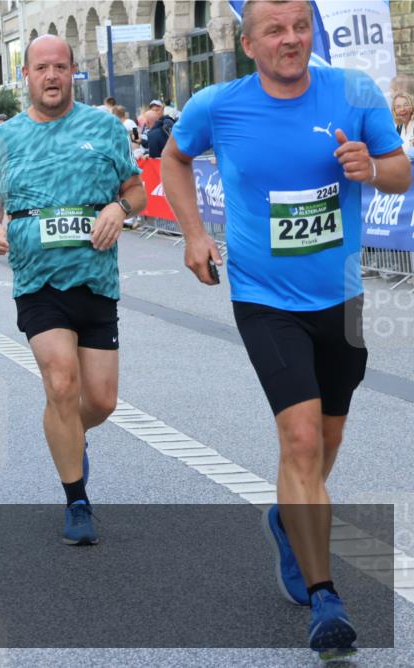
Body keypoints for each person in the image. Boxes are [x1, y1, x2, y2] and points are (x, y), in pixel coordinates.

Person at [160, 0, 411, 659]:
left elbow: (399, 171)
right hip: (265, 300)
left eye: (300, 25)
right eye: (275, 29)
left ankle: (286, 517)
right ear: (249, 43)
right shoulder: (218, 106)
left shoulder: (353, 91)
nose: (292, 39)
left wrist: (371, 168)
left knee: (323, 445)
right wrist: (192, 234)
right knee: (299, 440)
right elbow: (173, 160)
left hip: (342, 301)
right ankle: (325, 598)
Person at [0, 35, 145, 546]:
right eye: (41, 68)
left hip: (95, 278)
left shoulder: (105, 127)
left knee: (102, 401)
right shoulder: (4, 138)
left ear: (74, 72)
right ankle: (77, 501)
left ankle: (69, 433)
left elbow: (134, 187)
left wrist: (119, 208)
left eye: (61, 67)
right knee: (62, 383)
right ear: (24, 76)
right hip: (37, 280)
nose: (51, 76)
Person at [393, 91, 414, 161]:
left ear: (412, 106)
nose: (402, 109)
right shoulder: (398, 128)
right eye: (398, 106)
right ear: (394, 110)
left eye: (406, 105)